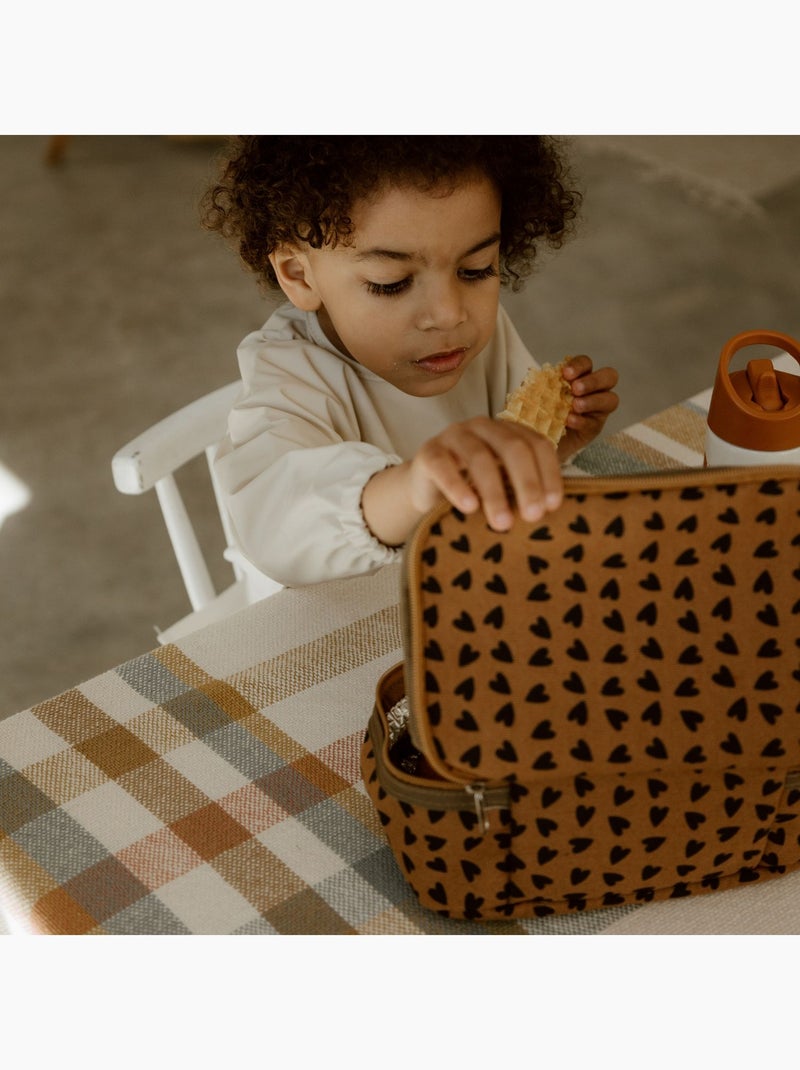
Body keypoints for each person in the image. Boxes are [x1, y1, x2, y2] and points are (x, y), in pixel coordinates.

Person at [202, 136, 619, 587]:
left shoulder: (470, 335)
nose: (449, 313)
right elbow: (276, 528)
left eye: (476, 269)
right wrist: (415, 487)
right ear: (300, 275)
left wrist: (546, 445)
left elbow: (500, 476)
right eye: (392, 282)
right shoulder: (287, 376)